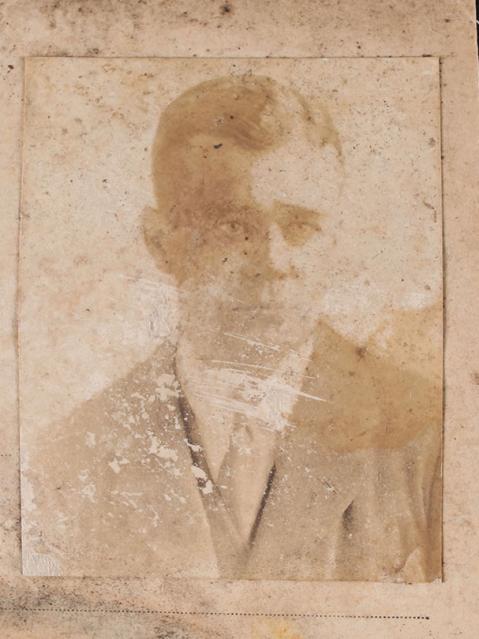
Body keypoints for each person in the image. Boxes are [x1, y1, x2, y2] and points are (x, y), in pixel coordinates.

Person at [25, 75, 442, 581]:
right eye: (233, 227)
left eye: (300, 227)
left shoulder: (428, 437)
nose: (272, 262)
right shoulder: (68, 458)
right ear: (160, 243)